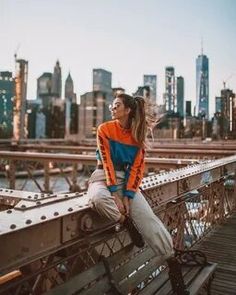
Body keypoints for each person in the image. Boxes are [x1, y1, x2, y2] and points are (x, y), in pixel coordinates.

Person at [87, 93, 174, 264]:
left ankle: (171, 259)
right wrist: (114, 194)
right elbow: (107, 162)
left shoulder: (137, 136)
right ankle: (125, 222)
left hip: (124, 180)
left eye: (117, 105)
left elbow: (136, 168)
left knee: (149, 219)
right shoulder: (104, 129)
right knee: (97, 198)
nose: (112, 108)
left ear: (127, 110)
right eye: (112, 105)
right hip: (102, 176)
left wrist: (128, 195)